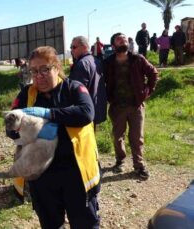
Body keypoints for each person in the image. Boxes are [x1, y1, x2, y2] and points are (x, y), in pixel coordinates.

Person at [8, 46, 101, 228]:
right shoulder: (27, 94)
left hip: (76, 173)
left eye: (44, 69)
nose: (39, 76)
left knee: (85, 224)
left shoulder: (73, 88)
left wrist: (48, 114)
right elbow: (10, 127)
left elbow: (86, 113)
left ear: (57, 68)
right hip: (42, 177)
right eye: (34, 71)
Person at [103, 33, 158, 179]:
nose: (123, 41)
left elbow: (153, 73)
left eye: (125, 39)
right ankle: (120, 160)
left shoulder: (137, 59)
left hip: (136, 106)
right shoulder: (108, 62)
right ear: (113, 45)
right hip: (117, 107)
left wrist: (147, 91)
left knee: (136, 137)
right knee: (117, 136)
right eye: (119, 40)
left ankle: (138, 166)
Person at [69, 36, 107, 131]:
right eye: (71, 47)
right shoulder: (95, 60)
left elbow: (76, 91)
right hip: (96, 107)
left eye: (74, 47)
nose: (71, 50)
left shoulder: (82, 63)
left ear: (84, 47)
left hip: (85, 112)